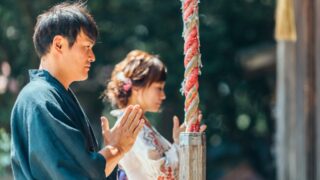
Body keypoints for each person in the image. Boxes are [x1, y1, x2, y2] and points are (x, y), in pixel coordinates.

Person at [10, 2, 144, 179]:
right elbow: (77, 173)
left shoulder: (53, 95)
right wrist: (117, 148)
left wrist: (112, 152)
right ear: (59, 45)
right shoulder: (39, 99)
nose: (92, 56)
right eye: (87, 47)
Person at [103, 50, 206, 179]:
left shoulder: (141, 125)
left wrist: (179, 141)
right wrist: (180, 145)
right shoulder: (129, 128)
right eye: (158, 88)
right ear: (136, 87)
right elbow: (163, 173)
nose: (163, 96)